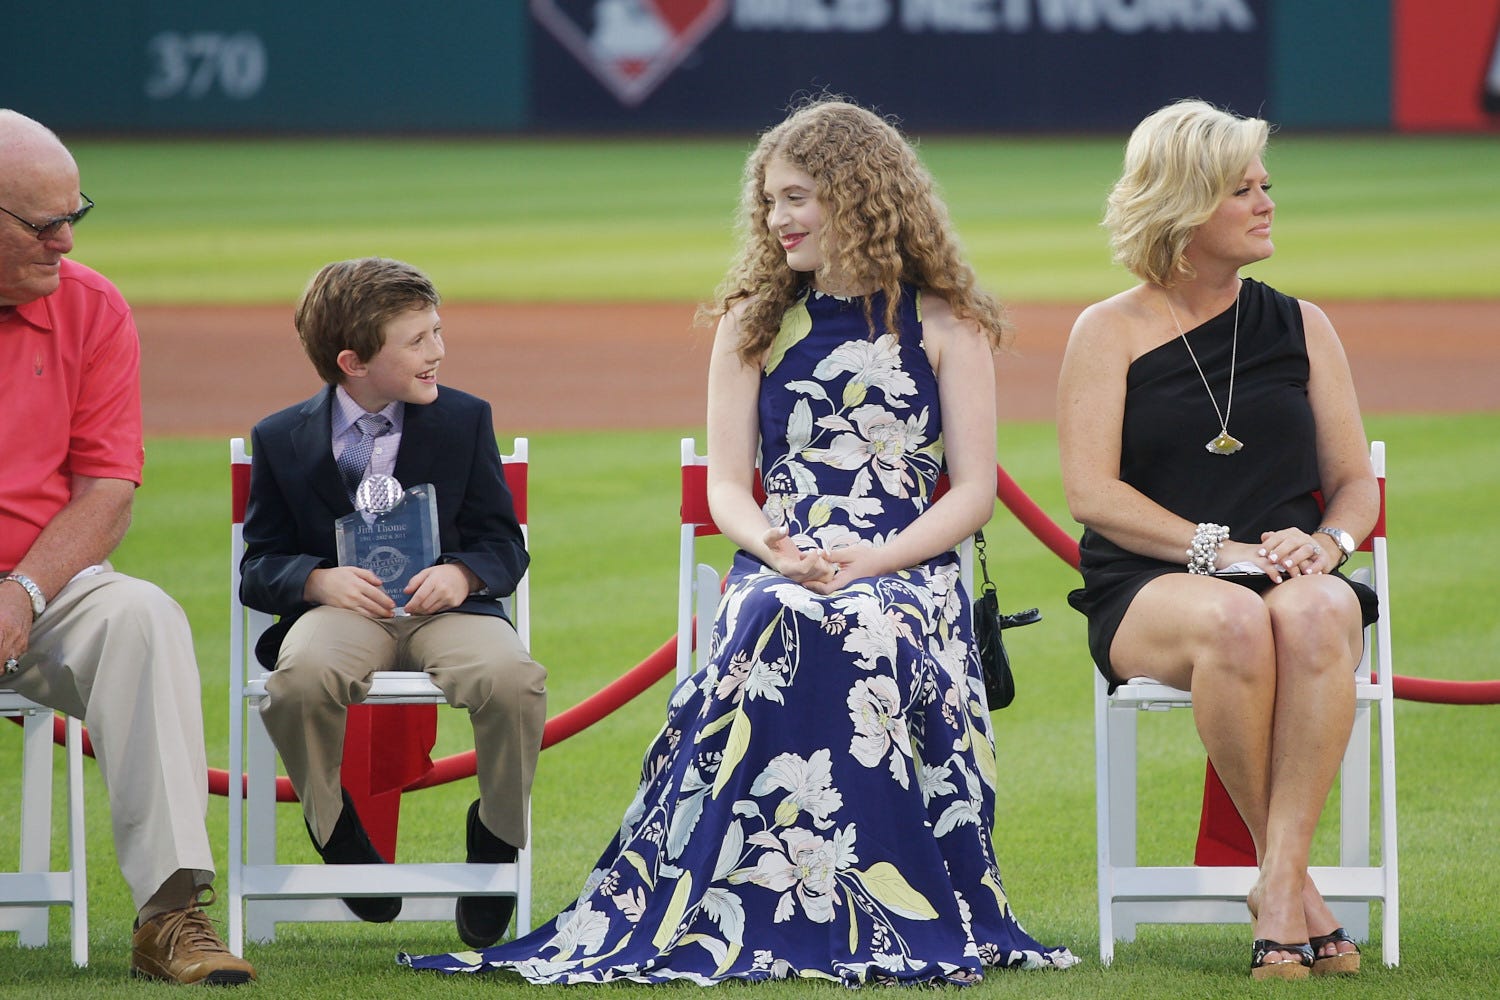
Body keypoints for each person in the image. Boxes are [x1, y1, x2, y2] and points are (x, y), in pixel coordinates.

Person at [400, 97, 1077, 984]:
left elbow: (976, 495)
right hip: (782, 553)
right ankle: (750, 895)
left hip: (909, 567)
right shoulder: (755, 319)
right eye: (768, 201)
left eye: (797, 197)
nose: (777, 219)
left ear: (859, 194)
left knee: (865, 622)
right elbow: (727, 485)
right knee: (779, 611)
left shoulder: (948, 322)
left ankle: (878, 904)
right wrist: (778, 545)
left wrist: (872, 559)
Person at [1057, 99, 1380, 981]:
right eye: (1244, 189)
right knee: (1235, 623)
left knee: (1316, 613)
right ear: (1186, 206)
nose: (1268, 202)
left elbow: (1355, 482)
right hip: (1150, 584)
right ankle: (1298, 892)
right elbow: (1092, 493)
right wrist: (1222, 552)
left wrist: (1331, 544)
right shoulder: (1108, 330)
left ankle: (1279, 886)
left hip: (1291, 569)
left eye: (1265, 185)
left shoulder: (1303, 324)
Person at [0, 110, 256, 984]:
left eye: (76, 214)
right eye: (42, 224)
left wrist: (24, 591)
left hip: (47, 585)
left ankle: (170, 915)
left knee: (142, 615)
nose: (65, 241)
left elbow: (108, 491)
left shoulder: (93, 307)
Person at [239, 256, 546, 948]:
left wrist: (464, 576)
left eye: (437, 331)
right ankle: (332, 825)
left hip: (449, 613)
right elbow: (259, 566)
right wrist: (318, 582)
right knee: (298, 681)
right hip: (342, 616)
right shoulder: (281, 439)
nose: (438, 351)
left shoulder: (466, 420)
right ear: (353, 361)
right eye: (418, 341)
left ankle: (497, 833)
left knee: (513, 679)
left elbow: (504, 544)